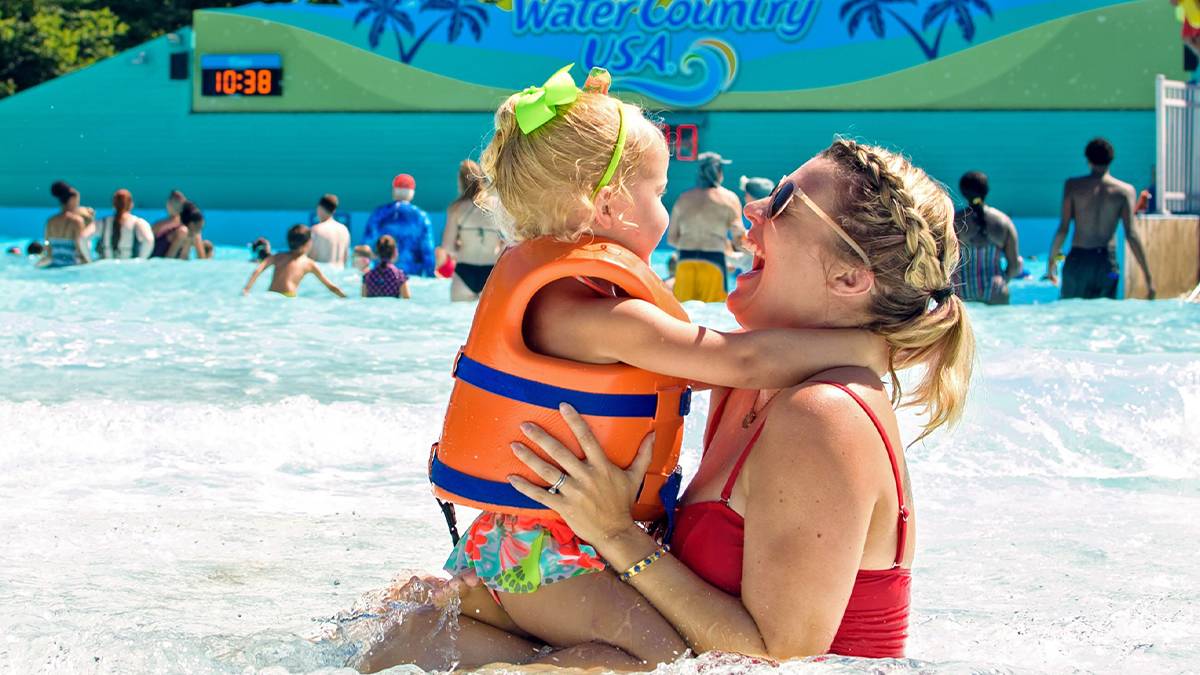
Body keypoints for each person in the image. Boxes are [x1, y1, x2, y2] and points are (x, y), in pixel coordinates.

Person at [362, 140, 973, 671]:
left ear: (848, 279)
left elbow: (780, 662)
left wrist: (614, 533)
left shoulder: (825, 413)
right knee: (418, 616)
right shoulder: (750, 381)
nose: (752, 208)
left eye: (784, 201)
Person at [1047, 138, 1156, 300]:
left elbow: (1063, 229)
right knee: (1104, 318)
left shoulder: (1073, 186)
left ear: (1088, 160)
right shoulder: (1125, 191)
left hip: (1078, 261)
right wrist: (1148, 277)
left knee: (1070, 317)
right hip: (1107, 264)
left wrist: (1051, 263)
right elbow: (1131, 234)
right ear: (1111, 160)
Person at [667, 152, 746, 302]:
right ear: (719, 173)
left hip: (685, 261)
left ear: (699, 173)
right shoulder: (729, 199)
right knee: (713, 314)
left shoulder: (683, 199)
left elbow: (671, 239)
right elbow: (739, 238)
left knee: (683, 315)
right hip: (714, 261)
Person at [437, 159, 506, 301]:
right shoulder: (497, 205)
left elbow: (447, 247)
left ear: (460, 182)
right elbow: (510, 240)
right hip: (491, 271)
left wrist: (459, 248)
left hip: (464, 271)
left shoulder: (456, 209)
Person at [953, 171, 1021, 304]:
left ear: (963, 192)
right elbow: (1014, 266)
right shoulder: (1004, 222)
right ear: (987, 191)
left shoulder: (954, 222)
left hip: (961, 289)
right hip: (996, 289)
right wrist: (1003, 279)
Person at [243, 224, 346, 298]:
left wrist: (246, 289)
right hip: (288, 297)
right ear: (308, 243)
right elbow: (330, 286)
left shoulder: (277, 256)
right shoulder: (308, 263)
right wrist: (345, 297)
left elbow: (258, 270)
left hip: (271, 295)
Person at [362, 174, 435, 277]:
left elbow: (366, 245)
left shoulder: (378, 214)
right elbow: (428, 252)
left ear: (394, 191)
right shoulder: (421, 217)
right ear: (412, 193)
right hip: (411, 276)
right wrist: (430, 276)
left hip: (383, 277)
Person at [43, 181, 91, 267]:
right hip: (71, 268)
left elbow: (48, 251)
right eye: (77, 201)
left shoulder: (50, 221)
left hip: (54, 266)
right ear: (72, 200)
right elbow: (81, 250)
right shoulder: (77, 221)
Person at [96, 189, 153, 260]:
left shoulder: (102, 222)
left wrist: (88, 260)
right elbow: (149, 240)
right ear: (131, 204)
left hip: (107, 266)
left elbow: (83, 238)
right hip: (130, 267)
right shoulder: (138, 223)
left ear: (113, 204)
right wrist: (141, 260)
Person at [310, 193, 350, 267]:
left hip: (321, 275)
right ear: (334, 210)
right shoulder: (344, 230)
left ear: (319, 208)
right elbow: (345, 258)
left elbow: (311, 258)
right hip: (339, 274)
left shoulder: (316, 230)